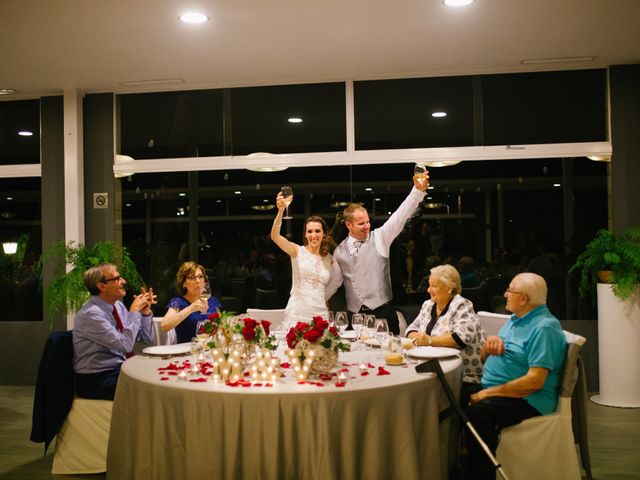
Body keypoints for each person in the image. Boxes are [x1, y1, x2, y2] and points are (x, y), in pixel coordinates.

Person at [459, 273, 567, 480]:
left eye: (510, 290)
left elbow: (534, 381)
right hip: (500, 388)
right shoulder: (517, 319)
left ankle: (479, 474)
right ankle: (461, 464)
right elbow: (485, 358)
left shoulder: (544, 328)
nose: (505, 294)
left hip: (529, 399)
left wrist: (487, 393)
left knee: (478, 413)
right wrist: (489, 345)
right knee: (450, 396)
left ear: (524, 298)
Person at [325, 172, 430, 334]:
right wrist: (315, 301)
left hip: (383, 314)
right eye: (361, 223)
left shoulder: (381, 237)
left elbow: (399, 216)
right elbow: (334, 283)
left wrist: (417, 191)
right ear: (348, 225)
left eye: (367, 221)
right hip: (354, 317)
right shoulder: (339, 251)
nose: (367, 226)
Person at [73, 263, 155, 400]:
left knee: (158, 377)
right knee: (150, 389)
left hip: (118, 370)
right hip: (96, 379)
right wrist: (134, 312)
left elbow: (146, 339)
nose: (123, 281)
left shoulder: (118, 306)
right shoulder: (91, 315)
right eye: (117, 279)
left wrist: (145, 313)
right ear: (101, 286)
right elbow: (125, 345)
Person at [405, 264, 485, 386]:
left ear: (449, 288)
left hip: (462, 375)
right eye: (429, 285)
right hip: (431, 369)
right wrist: (419, 338)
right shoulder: (428, 305)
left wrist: (429, 340)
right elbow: (410, 330)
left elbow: (461, 339)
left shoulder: (462, 305)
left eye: (434, 286)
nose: (428, 290)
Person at [271, 193, 334, 324]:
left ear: (323, 234)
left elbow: (325, 292)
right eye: (309, 231)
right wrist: (281, 211)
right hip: (297, 314)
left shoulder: (329, 258)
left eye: (317, 231)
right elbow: (275, 236)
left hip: (321, 315)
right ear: (305, 234)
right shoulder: (297, 251)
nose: (313, 235)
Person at [161, 261, 222, 344]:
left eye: (200, 276)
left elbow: (222, 327)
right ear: (183, 283)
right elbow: (164, 326)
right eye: (192, 277)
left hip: (210, 350)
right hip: (188, 352)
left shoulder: (213, 301)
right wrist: (191, 308)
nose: (197, 281)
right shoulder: (178, 302)